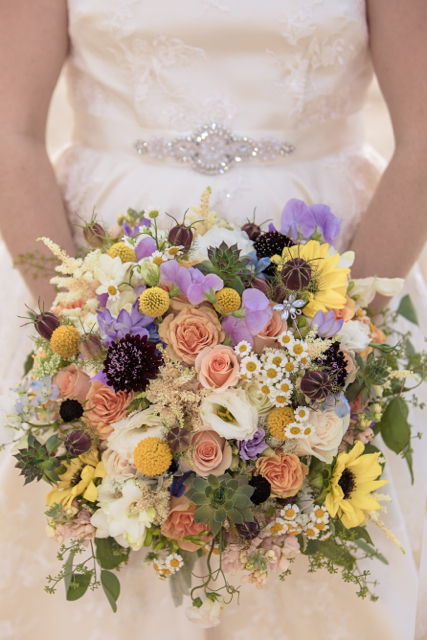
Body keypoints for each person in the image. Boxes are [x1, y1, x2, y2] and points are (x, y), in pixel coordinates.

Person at [0, 1, 425, 639]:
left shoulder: (341, 323)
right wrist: (82, 339)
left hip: (332, 275)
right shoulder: (86, 321)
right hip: (101, 276)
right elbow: (11, 128)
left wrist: (339, 345)